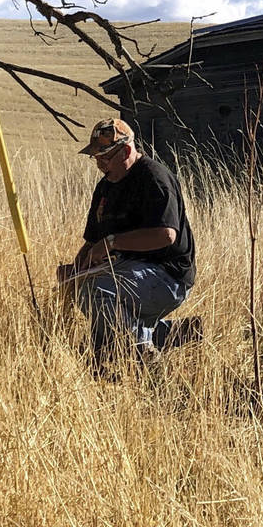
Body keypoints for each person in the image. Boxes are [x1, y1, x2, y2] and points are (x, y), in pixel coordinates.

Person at [63, 118, 197, 366]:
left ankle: (140, 356)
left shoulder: (154, 179)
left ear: (126, 151)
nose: (100, 165)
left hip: (168, 276)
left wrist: (112, 242)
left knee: (97, 291)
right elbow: (93, 241)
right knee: (89, 297)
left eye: (105, 157)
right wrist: (76, 270)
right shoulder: (105, 188)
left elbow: (165, 235)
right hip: (129, 271)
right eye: (96, 158)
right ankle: (163, 334)